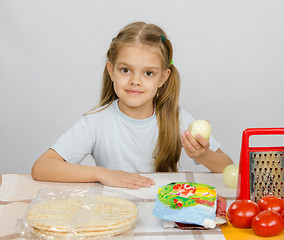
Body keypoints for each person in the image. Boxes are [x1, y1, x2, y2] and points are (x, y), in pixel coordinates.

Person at [31, 22, 233, 189]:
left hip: (163, 212)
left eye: (148, 73)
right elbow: (42, 167)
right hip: (113, 212)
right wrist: (103, 174)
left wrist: (203, 153)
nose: (135, 81)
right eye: (126, 70)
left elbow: (228, 168)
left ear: (163, 77)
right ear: (111, 70)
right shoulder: (96, 122)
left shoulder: (177, 119)